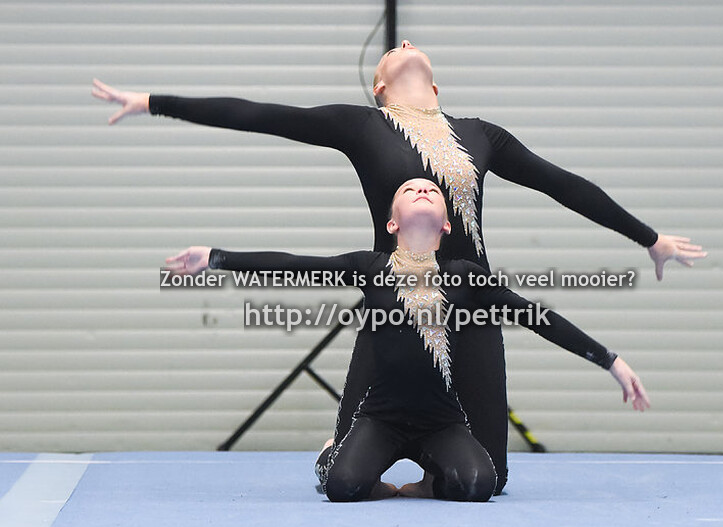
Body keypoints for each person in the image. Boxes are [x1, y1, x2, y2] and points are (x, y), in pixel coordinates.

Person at [94, 40, 703, 492]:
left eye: (411, 46)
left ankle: (427, 469)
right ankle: (360, 450)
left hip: (473, 306)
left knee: (490, 479)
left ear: (436, 89)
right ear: (379, 87)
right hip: (392, 309)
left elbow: (562, 185)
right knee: (338, 479)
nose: (404, 45)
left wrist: (647, 238)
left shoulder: (480, 135)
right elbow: (260, 114)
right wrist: (154, 102)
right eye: (392, 51)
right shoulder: (362, 125)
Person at [164, 179, 650, 502]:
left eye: (431, 190)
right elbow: (296, 263)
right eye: (410, 188)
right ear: (392, 223)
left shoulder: (465, 276)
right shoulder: (370, 268)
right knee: (341, 487)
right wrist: (218, 257)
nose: (421, 188)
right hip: (381, 417)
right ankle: (335, 451)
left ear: (445, 227)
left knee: (481, 485)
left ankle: (425, 482)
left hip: (442, 420)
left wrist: (609, 360)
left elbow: (536, 315)